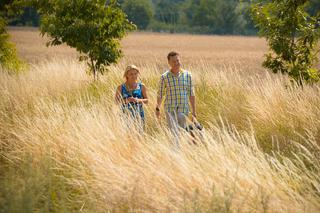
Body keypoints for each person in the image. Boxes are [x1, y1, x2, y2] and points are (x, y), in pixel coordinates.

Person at [156, 51, 196, 137]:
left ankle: (184, 149)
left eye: (178, 60)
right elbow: (160, 94)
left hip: (184, 110)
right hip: (170, 110)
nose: (176, 63)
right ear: (169, 63)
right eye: (174, 61)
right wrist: (157, 108)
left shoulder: (188, 75)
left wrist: (193, 111)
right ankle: (174, 150)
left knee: (183, 133)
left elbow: (191, 94)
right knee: (174, 134)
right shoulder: (164, 77)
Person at [115, 65, 148, 129]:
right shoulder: (121, 87)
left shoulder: (141, 86)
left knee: (139, 136)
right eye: (131, 74)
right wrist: (127, 100)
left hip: (139, 115)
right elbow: (116, 102)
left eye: (135, 74)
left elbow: (146, 100)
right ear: (127, 75)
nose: (134, 76)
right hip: (125, 115)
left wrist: (137, 100)